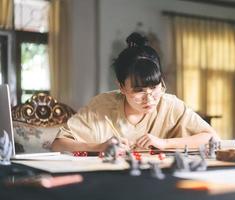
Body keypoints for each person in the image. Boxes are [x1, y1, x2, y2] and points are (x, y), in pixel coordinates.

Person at [51, 32, 219, 153]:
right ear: (122, 87)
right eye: (138, 91)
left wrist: (164, 143)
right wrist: (99, 146)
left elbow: (211, 138)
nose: (150, 98)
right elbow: (58, 144)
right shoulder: (101, 105)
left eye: (154, 87)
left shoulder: (170, 104)